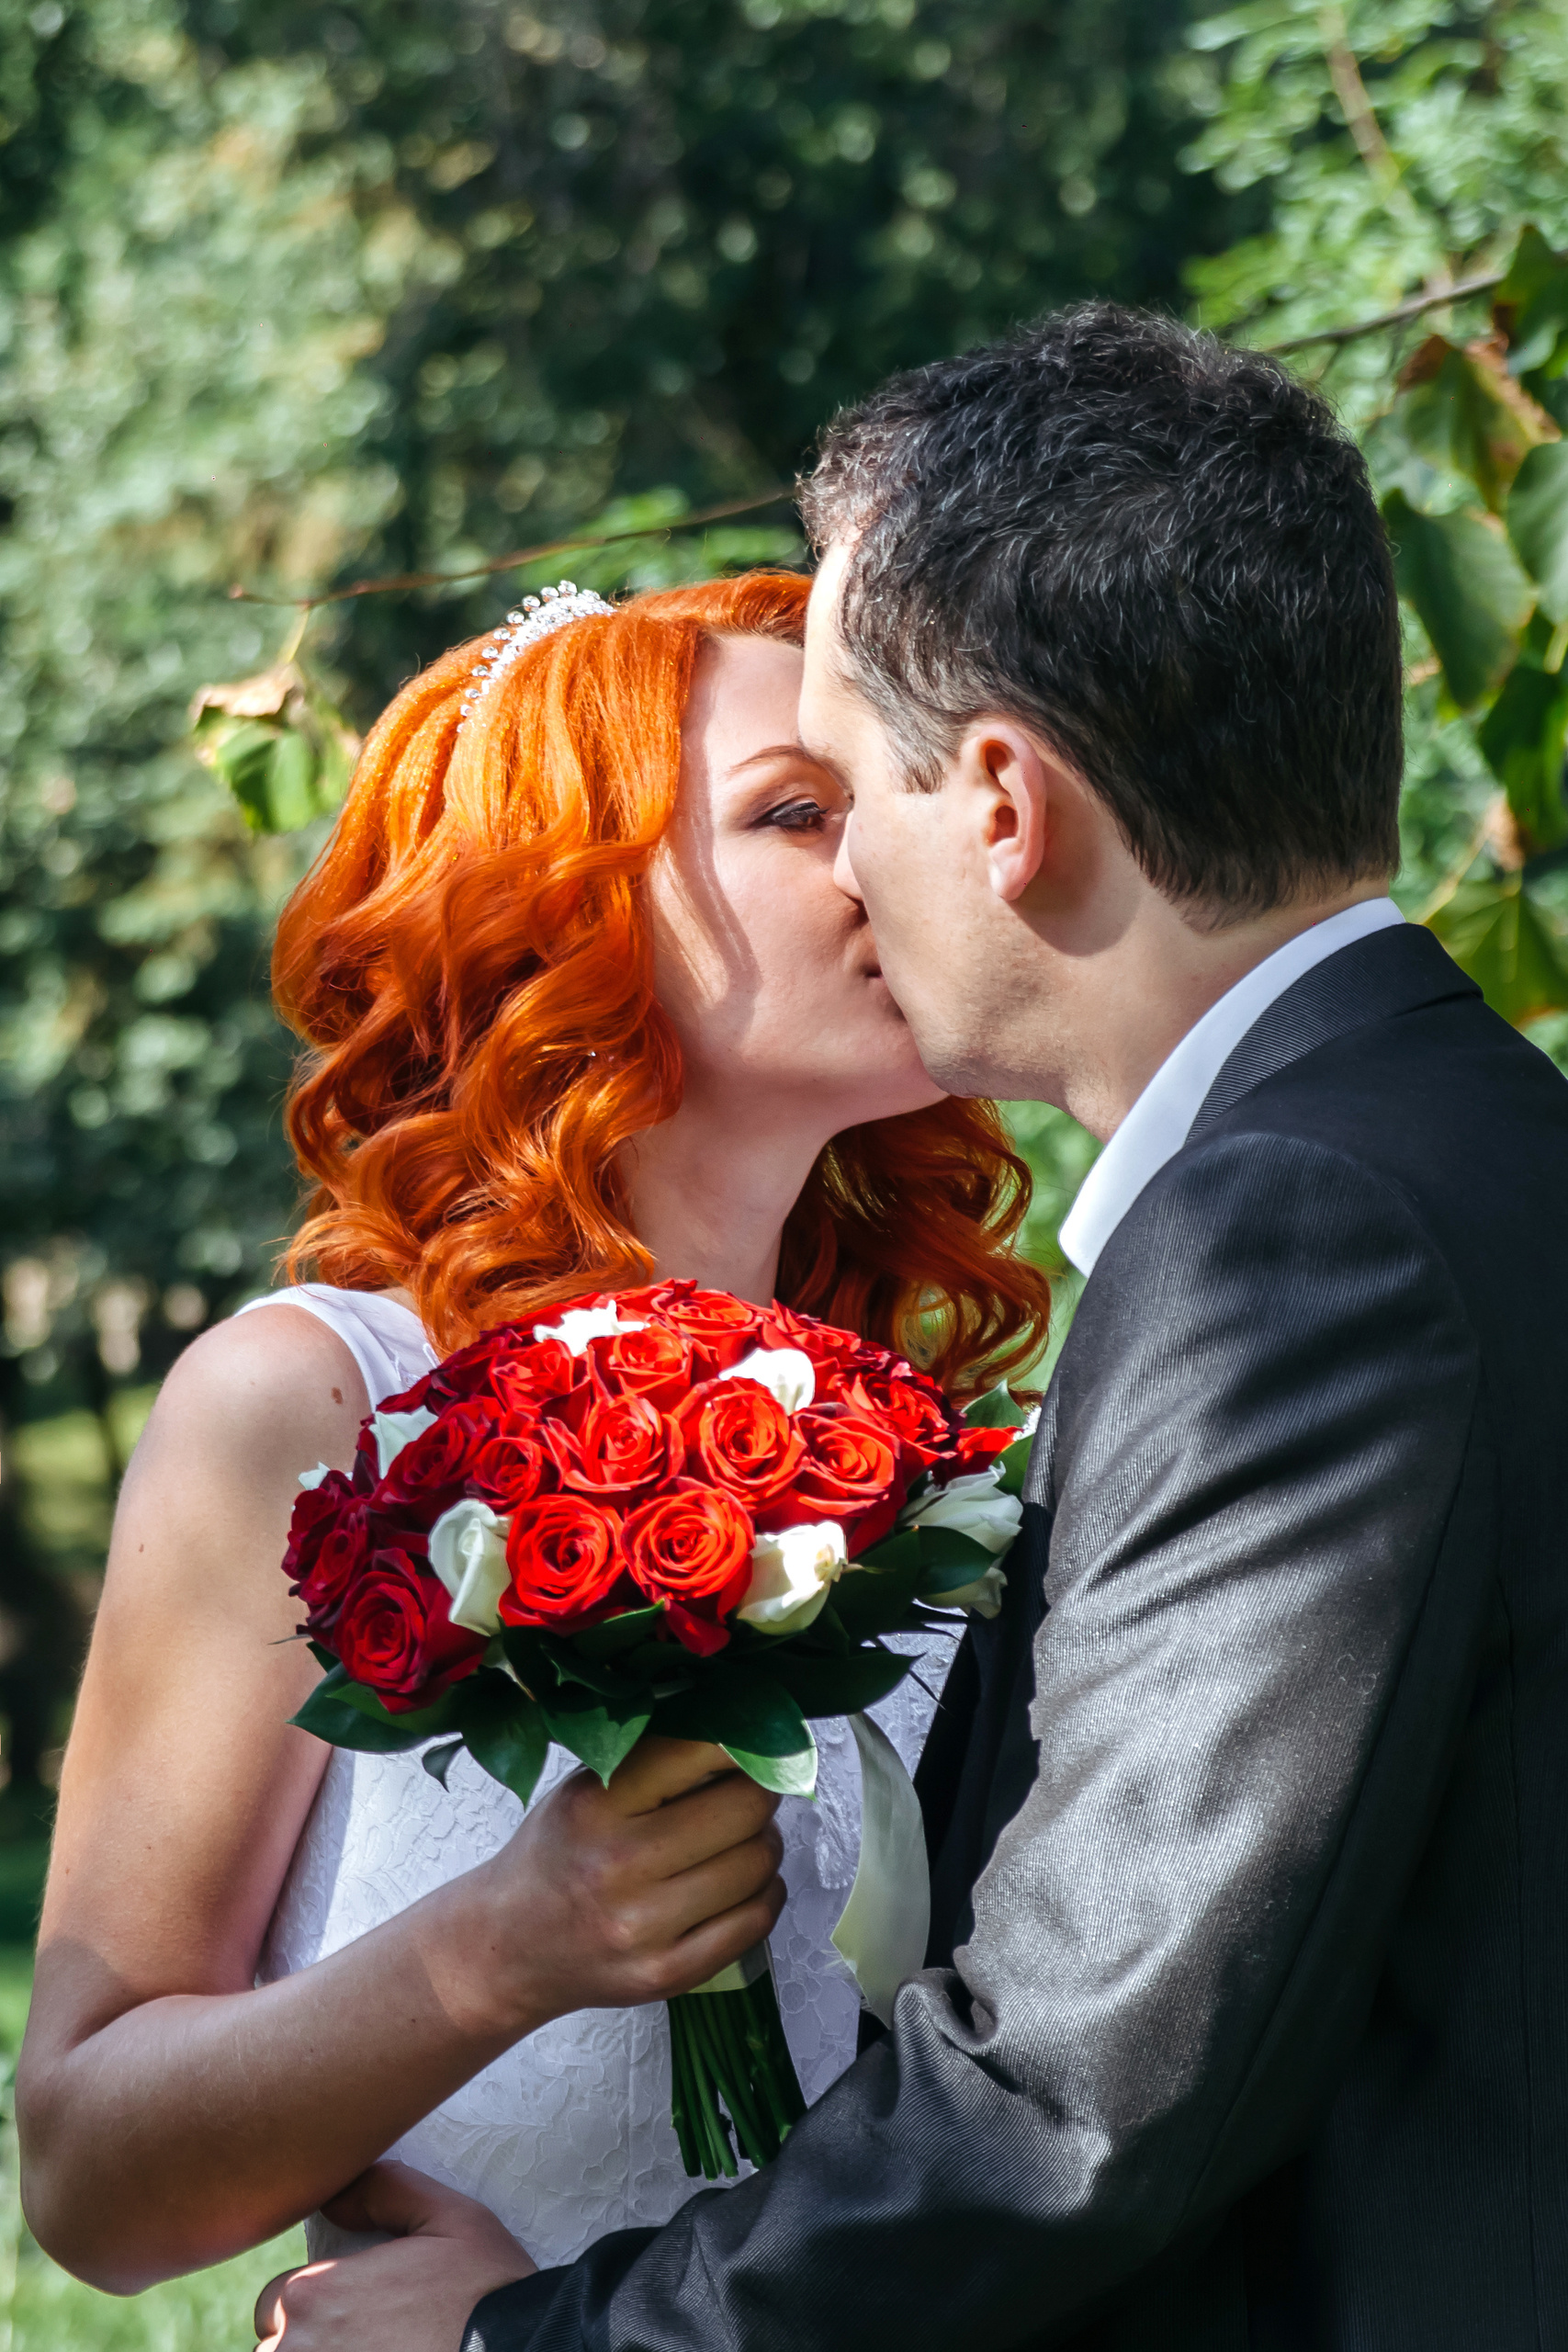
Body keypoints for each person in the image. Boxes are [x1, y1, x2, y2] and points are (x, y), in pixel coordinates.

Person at [272, 304, 1568, 2349]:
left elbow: (1071, 2096)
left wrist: (523, 2340)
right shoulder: (1470, 1139)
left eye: (849, 788)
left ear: (1000, 805)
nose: (852, 872)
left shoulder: (1297, 1241)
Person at [16, 573, 1051, 2293]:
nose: (888, 854)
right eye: (796, 812)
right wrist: (500, 1949)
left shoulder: (929, 1456)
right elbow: (88, 2183)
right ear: (562, 909)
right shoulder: (307, 1406)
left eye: (883, 797)